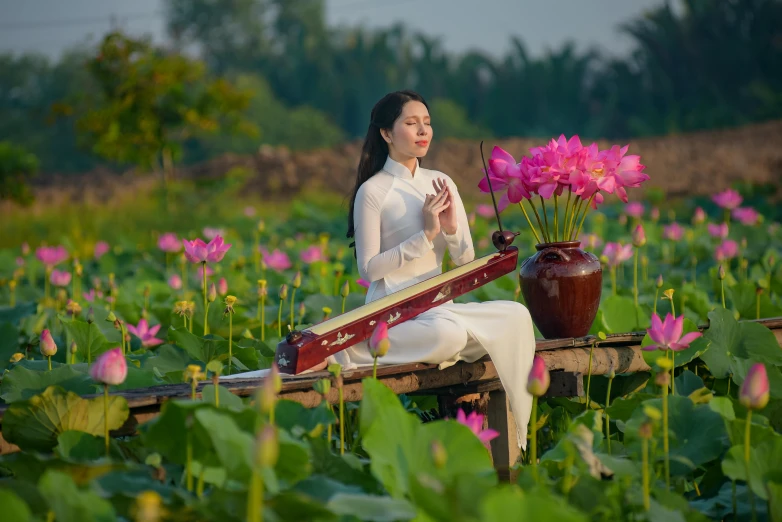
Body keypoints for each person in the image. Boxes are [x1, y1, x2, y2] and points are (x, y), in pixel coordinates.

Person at [329, 90, 537, 450]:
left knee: (516, 315)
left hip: (438, 310)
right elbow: (370, 267)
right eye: (411, 123)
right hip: (392, 311)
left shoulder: (441, 183)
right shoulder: (373, 191)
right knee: (450, 339)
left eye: (426, 123)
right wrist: (425, 235)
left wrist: (453, 228)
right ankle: (353, 350)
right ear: (386, 134)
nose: (423, 130)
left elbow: (463, 262)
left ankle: (519, 436)